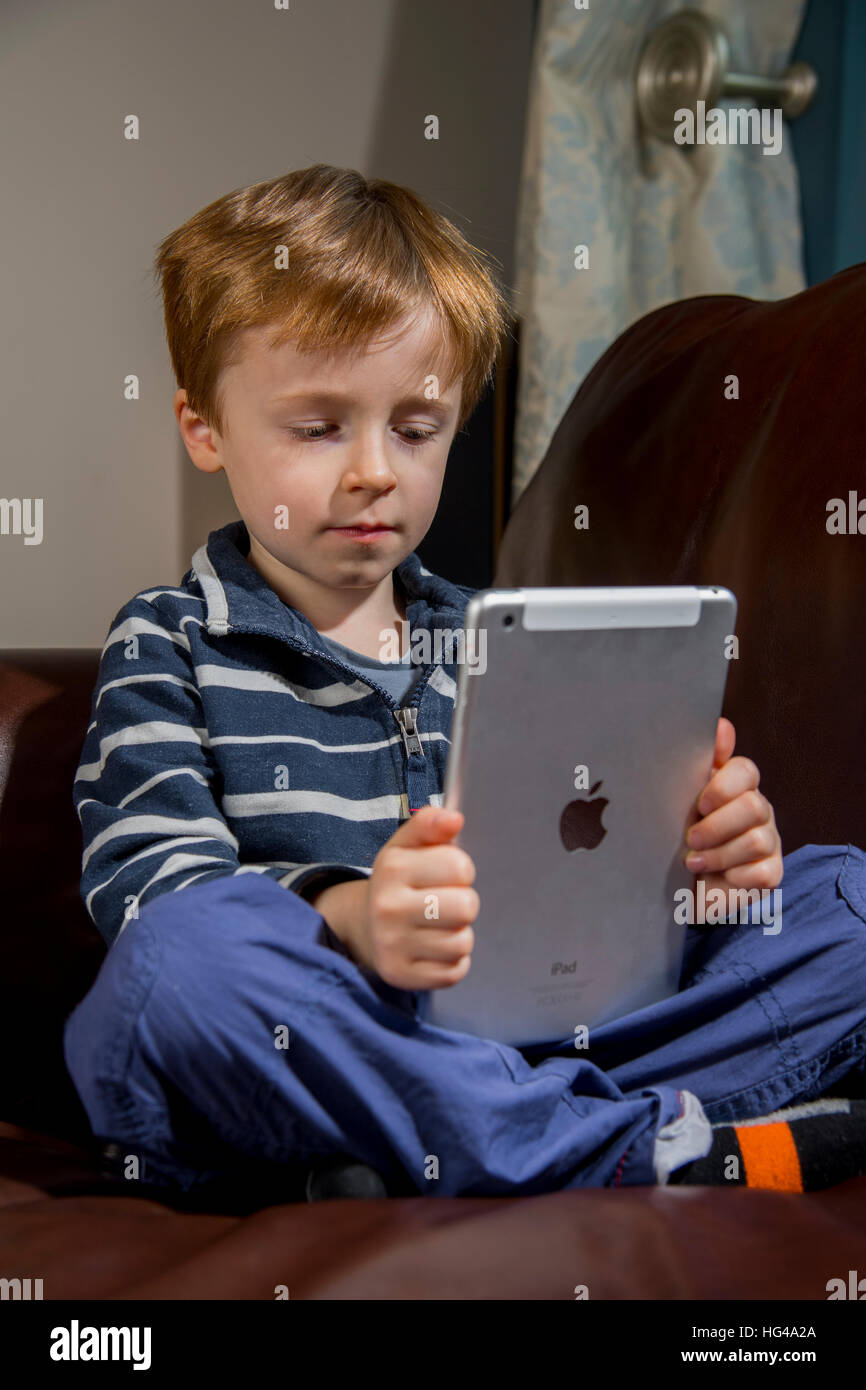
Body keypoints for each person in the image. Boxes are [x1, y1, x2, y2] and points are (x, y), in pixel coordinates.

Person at [64, 165, 866, 1204]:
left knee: (845, 896)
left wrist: (701, 867)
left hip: (520, 1039)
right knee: (176, 960)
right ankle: (630, 1144)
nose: (374, 472)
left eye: (414, 428)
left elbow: (582, 893)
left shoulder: (496, 639)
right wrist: (351, 917)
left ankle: (464, 1141)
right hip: (301, 1052)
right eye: (318, 427)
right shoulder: (170, 640)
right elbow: (149, 891)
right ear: (204, 428)